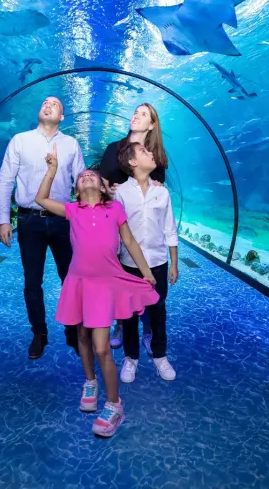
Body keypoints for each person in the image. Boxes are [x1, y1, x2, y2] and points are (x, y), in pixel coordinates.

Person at [35, 145, 159, 437]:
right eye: (81, 177)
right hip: (78, 283)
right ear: (76, 191)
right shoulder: (71, 210)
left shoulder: (114, 209)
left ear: (104, 187)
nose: (86, 176)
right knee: (81, 336)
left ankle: (114, 405)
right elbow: (40, 199)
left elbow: (129, 242)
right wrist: (52, 170)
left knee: (101, 347)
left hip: (105, 284)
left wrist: (145, 271)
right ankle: (90, 381)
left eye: (92, 175)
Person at [0, 96, 85, 359]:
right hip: (29, 220)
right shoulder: (20, 140)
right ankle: (39, 333)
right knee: (32, 280)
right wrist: (3, 219)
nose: (47, 104)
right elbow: (5, 181)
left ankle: (73, 331)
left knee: (70, 278)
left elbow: (81, 183)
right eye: (44, 102)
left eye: (54, 104)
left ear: (62, 117)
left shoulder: (71, 144)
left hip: (62, 219)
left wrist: (87, 217)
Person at [97, 103, 169, 350]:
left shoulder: (155, 157)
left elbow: (158, 188)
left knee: (148, 280)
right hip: (115, 224)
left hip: (144, 229)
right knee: (121, 278)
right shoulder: (113, 148)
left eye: (143, 114)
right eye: (135, 112)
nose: (136, 115)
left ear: (152, 124)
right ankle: (121, 323)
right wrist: (110, 191)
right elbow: (101, 182)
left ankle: (148, 328)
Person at [114, 142, 179, 382]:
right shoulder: (121, 193)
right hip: (129, 263)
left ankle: (160, 356)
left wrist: (174, 263)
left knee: (158, 310)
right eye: (144, 151)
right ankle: (131, 357)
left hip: (158, 261)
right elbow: (116, 232)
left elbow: (169, 228)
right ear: (133, 162)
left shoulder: (162, 192)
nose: (151, 153)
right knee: (129, 313)